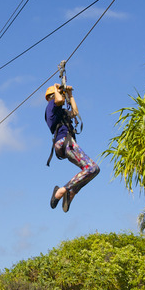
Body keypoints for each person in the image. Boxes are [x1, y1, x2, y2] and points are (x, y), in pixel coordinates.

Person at [45, 83, 99, 212]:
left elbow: (75, 112)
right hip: (64, 142)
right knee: (91, 168)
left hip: (67, 143)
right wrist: (58, 88)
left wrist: (70, 94)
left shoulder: (61, 112)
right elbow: (59, 99)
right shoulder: (51, 105)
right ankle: (62, 191)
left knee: (94, 170)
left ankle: (71, 192)